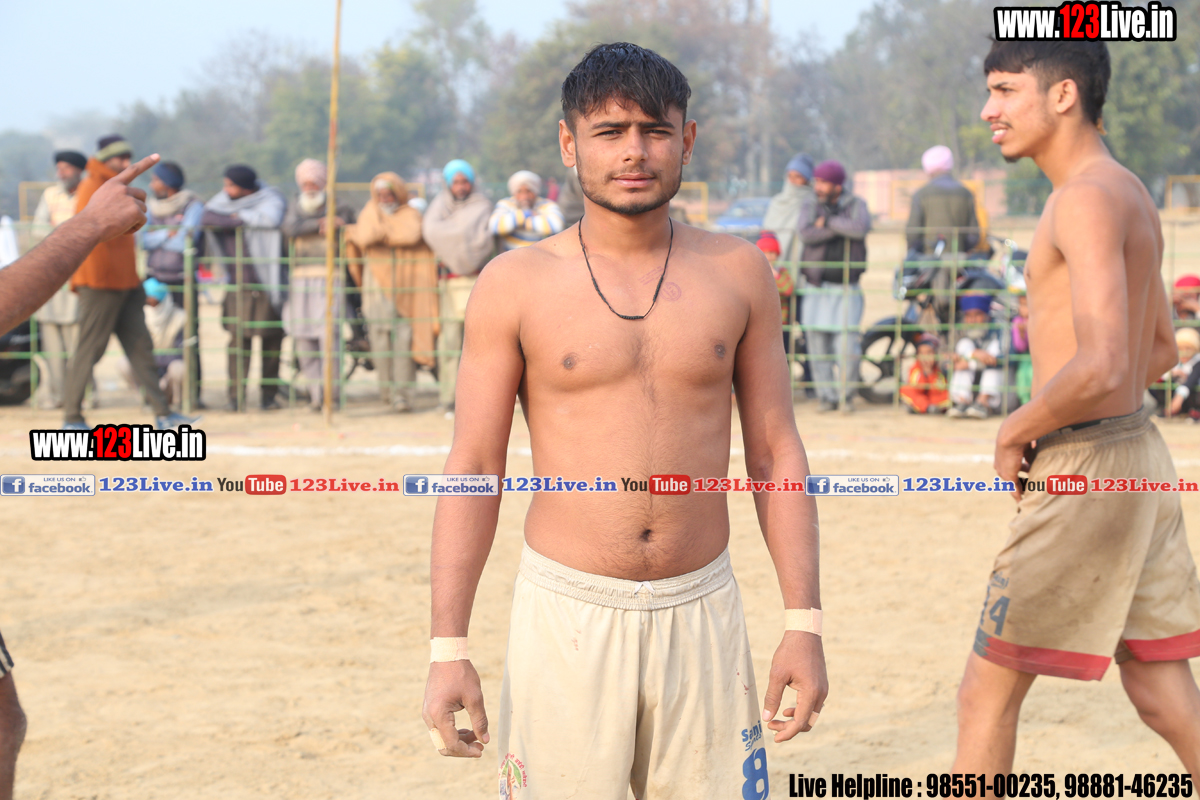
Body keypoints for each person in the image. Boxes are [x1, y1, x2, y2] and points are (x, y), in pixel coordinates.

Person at [420, 42, 827, 798]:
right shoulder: (515, 283)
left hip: (701, 607)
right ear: (569, 143)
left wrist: (804, 623)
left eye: (654, 130)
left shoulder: (739, 272)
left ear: (687, 139)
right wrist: (449, 646)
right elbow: (474, 464)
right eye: (609, 132)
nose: (634, 152)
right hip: (567, 612)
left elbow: (775, 452)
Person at [956, 39, 1200, 777]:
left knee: (985, 695)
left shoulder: (1084, 198)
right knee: (1161, 689)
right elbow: (1161, 349)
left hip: (1085, 465)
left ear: (1063, 95)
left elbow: (1104, 364)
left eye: (1005, 90)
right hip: (1138, 453)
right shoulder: (1126, 188)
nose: (989, 110)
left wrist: (1019, 427)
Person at [0, 152, 162, 800]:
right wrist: (90, 225)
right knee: (86, 352)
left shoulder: (108, 195)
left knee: (4, 722)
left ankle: (157, 410)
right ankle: (71, 411)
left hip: (121, 287)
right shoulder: (89, 196)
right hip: (92, 284)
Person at [61, 136, 195, 431]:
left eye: (127, 158)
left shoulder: (114, 185)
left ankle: (163, 413)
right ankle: (72, 417)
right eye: (120, 158)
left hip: (126, 281)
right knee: (89, 349)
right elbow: (86, 231)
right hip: (99, 282)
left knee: (141, 348)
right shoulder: (92, 186)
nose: (126, 163)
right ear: (105, 159)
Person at [345, 173, 439, 412]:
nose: (385, 199)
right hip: (375, 289)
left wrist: (382, 233)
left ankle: (403, 397)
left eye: (389, 194)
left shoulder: (410, 214)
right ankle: (387, 394)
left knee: (403, 346)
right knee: (379, 345)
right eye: (380, 195)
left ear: (398, 194)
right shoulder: (369, 212)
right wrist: (385, 234)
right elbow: (366, 236)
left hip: (405, 291)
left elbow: (411, 234)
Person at [202, 165, 287, 411]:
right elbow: (208, 217)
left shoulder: (271, 201)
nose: (225, 190)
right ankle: (235, 398)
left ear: (245, 188)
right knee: (238, 343)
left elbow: (270, 220)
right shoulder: (223, 202)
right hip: (238, 284)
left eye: (230, 185)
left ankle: (268, 397)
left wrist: (235, 220)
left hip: (267, 282)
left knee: (272, 342)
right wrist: (241, 220)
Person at [281, 158, 358, 412]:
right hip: (300, 279)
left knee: (329, 338)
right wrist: (318, 225)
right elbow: (290, 228)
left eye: (314, 183)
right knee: (304, 339)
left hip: (331, 278)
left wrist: (336, 223)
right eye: (305, 183)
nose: (310, 188)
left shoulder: (339, 205)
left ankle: (330, 396)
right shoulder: (295, 206)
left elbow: (348, 226)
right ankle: (315, 396)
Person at [797, 159, 871, 412]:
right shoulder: (810, 204)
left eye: (823, 182)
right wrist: (840, 228)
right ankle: (826, 397)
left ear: (837, 186)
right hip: (816, 286)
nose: (817, 186)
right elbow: (806, 233)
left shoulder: (857, 205)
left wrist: (827, 222)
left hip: (847, 288)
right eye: (816, 181)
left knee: (846, 347)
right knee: (817, 347)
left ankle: (845, 397)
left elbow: (859, 229)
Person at [421, 159, 494, 413]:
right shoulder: (438, 206)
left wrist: (451, 232)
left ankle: (481, 400)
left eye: (465, 182)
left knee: (481, 344)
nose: (461, 187)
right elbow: (431, 230)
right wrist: (459, 233)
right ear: (448, 184)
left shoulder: (483, 206)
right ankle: (448, 398)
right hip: (448, 283)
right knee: (449, 343)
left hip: (478, 281)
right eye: (456, 182)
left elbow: (482, 238)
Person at [140, 160, 204, 407]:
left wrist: (160, 236)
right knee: (151, 333)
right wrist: (169, 233)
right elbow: (142, 240)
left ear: (168, 183)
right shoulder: (150, 206)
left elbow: (185, 241)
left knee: (187, 335)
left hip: (181, 280)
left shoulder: (192, 205)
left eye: (156, 180)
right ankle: (155, 394)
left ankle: (191, 394)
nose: (152, 185)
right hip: (154, 281)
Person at [30, 150, 87, 409]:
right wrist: (67, 233)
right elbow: (37, 230)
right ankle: (58, 396)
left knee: (79, 344)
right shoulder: (50, 195)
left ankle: (83, 396)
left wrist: (61, 232)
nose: (61, 173)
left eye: (66, 168)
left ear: (78, 170)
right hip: (51, 275)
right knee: (53, 345)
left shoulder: (89, 193)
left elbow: (88, 230)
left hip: (79, 275)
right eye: (59, 168)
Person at [116, 278, 186, 407]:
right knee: (124, 363)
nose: (151, 307)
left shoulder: (179, 318)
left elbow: (179, 352)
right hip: (146, 371)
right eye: (147, 303)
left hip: (167, 374)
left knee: (179, 368)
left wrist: (159, 374)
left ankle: (176, 402)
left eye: (155, 303)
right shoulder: (138, 317)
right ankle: (145, 398)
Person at [905, 145, 981, 257]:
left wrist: (919, 252)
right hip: (958, 261)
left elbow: (913, 234)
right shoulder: (966, 193)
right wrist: (960, 250)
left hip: (928, 261)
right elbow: (973, 235)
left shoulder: (921, 194)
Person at [947, 294, 1003, 419]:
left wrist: (970, 362)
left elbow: (1004, 360)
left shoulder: (999, 329)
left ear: (987, 315)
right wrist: (973, 354)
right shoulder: (959, 330)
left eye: (977, 315)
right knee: (964, 344)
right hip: (972, 385)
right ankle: (962, 401)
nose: (972, 320)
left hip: (1000, 390)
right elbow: (947, 364)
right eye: (968, 316)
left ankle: (983, 403)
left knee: (994, 350)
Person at [488, 170, 565, 252]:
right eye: (519, 191)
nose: (524, 197)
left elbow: (557, 225)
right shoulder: (505, 204)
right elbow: (494, 226)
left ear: (535, 191)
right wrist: (527, 214)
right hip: (509, 255)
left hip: (540, 255)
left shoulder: (547, 204)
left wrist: (515, 223)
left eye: (529, 191)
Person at [764, 153, 815, 263]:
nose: (792, 181)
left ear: (807, 180)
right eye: (790, 176)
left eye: (798, 177)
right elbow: (766, 233)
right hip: (773, 260)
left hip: (803, 260)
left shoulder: (813, 203)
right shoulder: (776, 202)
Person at [900, 333, 951, 414]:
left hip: (933, 399)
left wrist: (930, 373)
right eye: (922, 353)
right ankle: (927, 408)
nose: (925, 357)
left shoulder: (937, 371)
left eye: (929, 353)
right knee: (905, 389)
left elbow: (938, 390)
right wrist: (924, 373)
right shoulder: (915, 368)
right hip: (920, 398)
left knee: (948, 394)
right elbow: (918, 388)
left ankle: (928, 408)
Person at [1166, 327, 1200, 420]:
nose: (1184, 352)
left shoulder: (1197, 362)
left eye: (1188, 348)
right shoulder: (1175, 362)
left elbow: (1191, 381)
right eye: (1180, 348)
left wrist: (1179, 398)